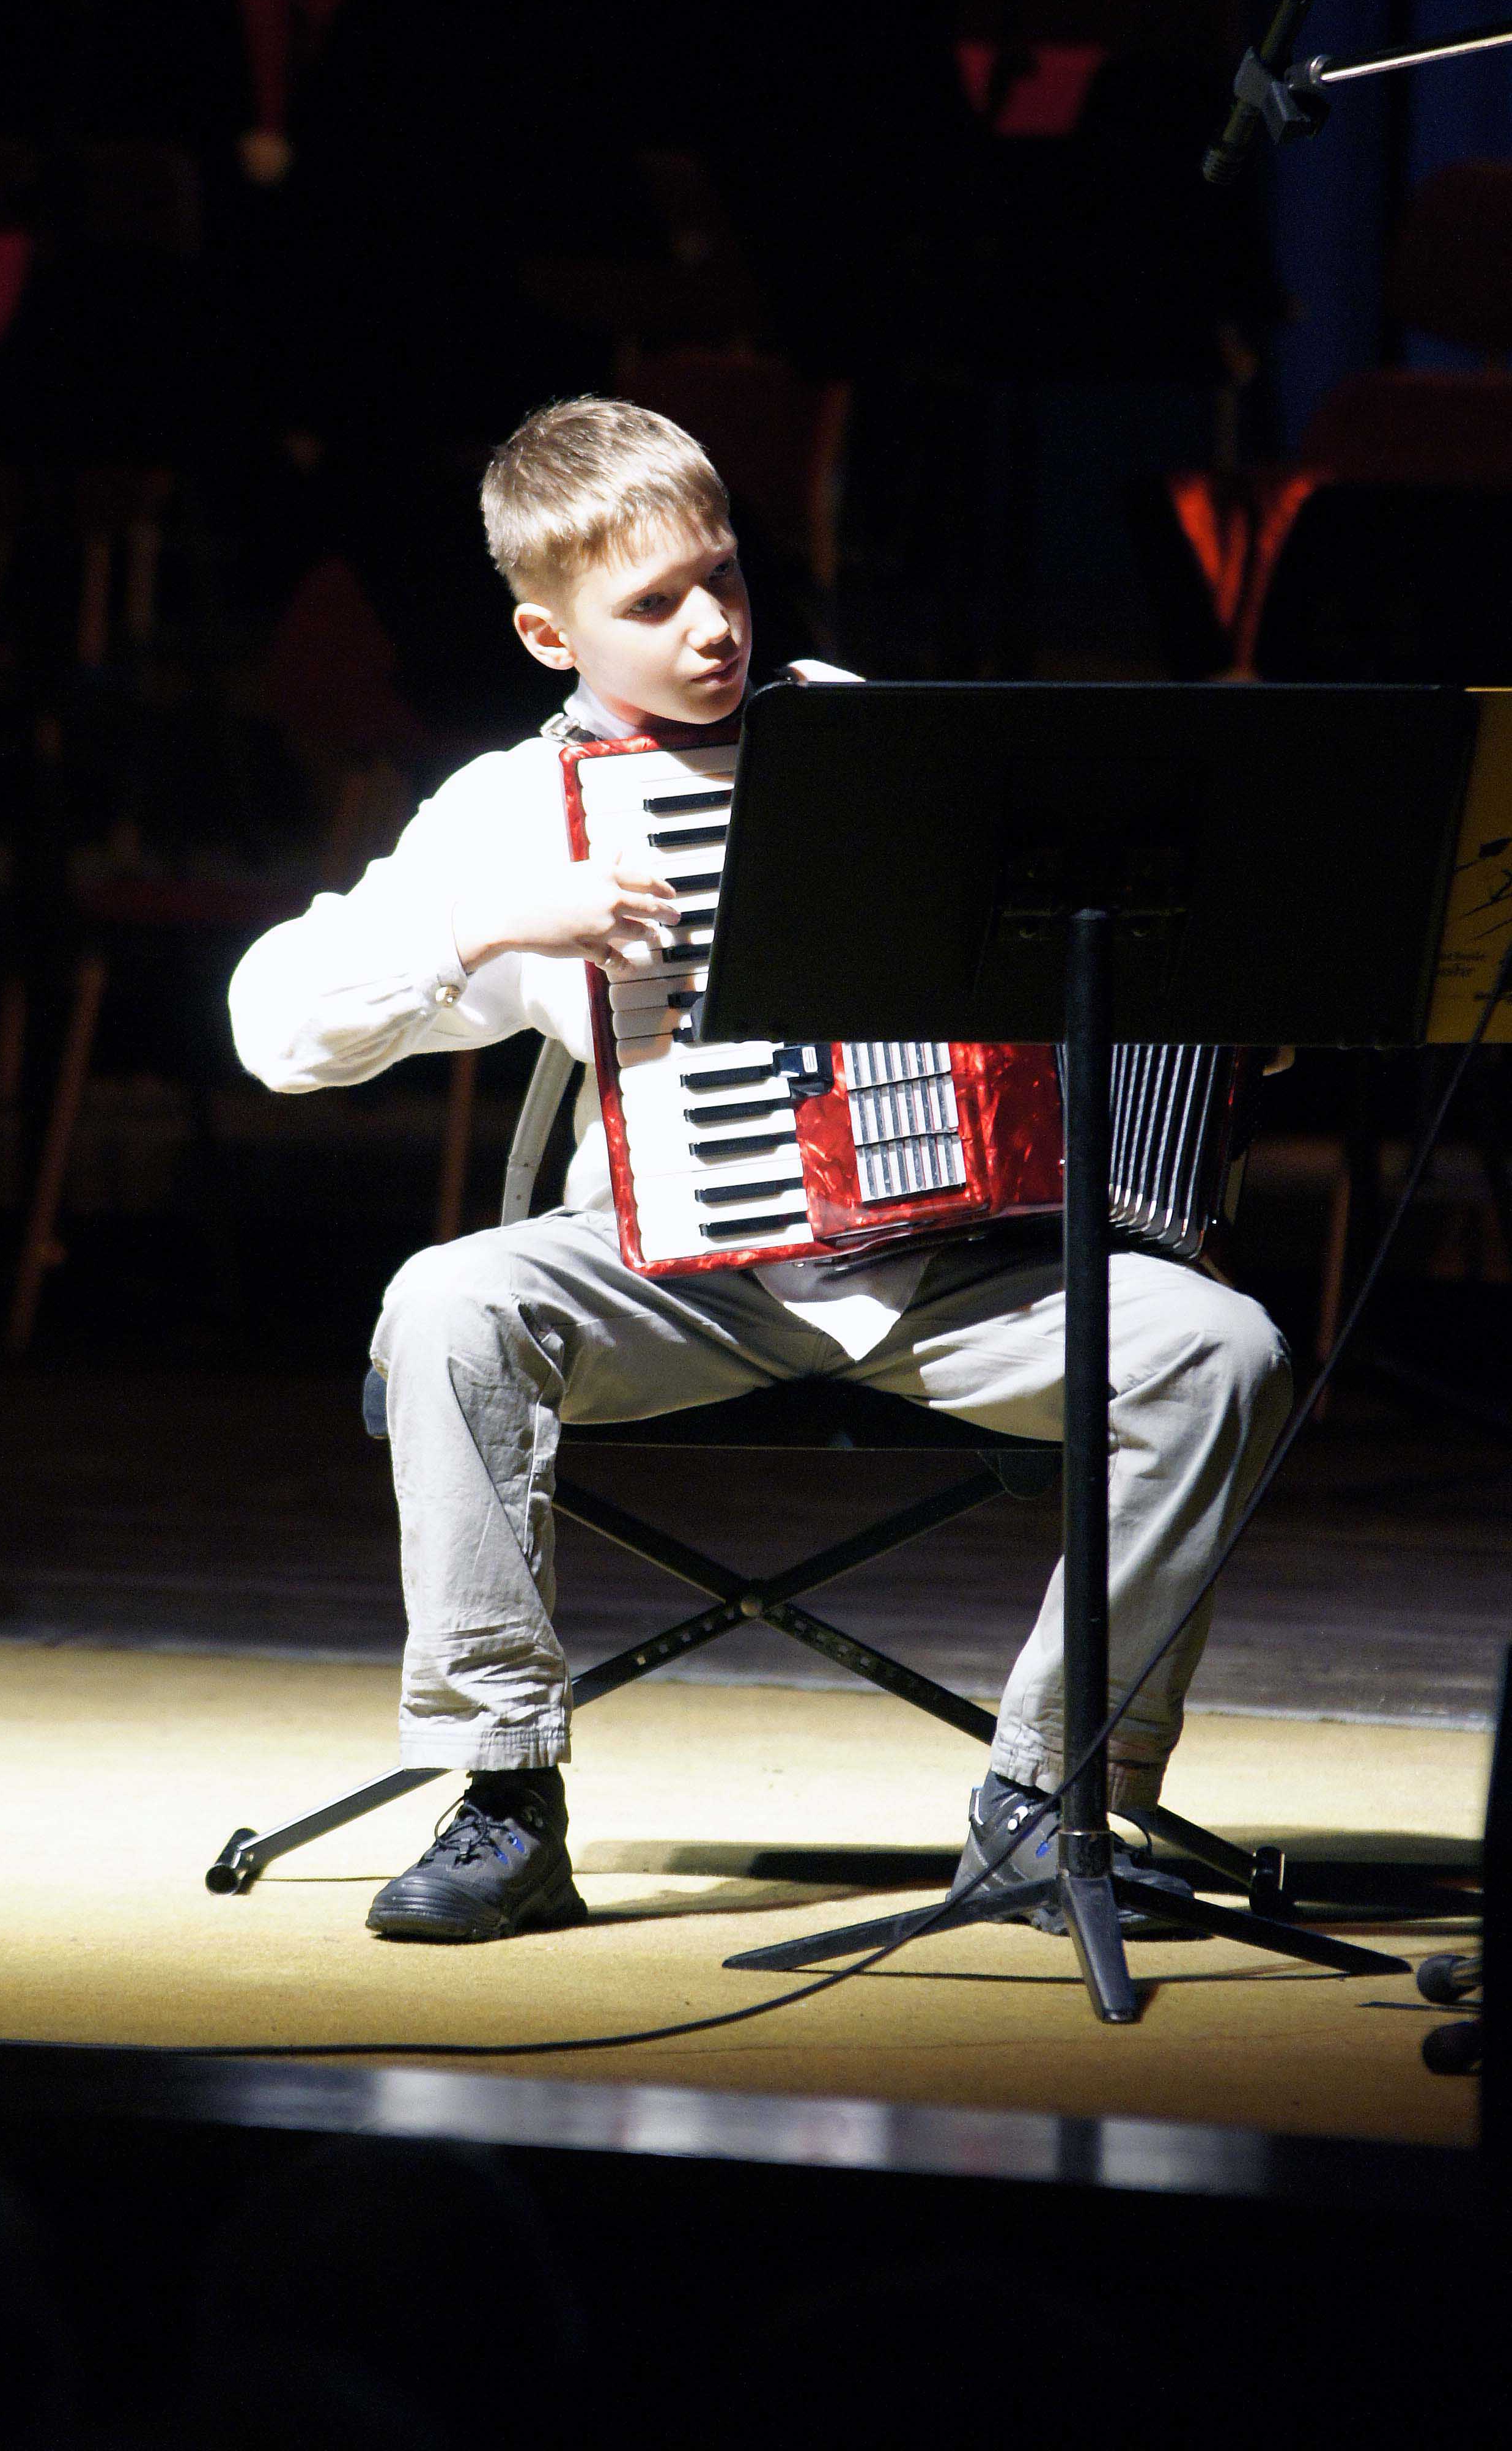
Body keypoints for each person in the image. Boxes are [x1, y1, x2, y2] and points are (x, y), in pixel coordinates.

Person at [229, 396, 1291, 1942]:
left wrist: (1200, 1007)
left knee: (1221, 1353)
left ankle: (1045, 1801)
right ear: (548, 636)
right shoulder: (514, 811)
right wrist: (496, 925)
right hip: (670, 1277)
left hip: (946, 1267)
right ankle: (503, 1792)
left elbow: (1062, 943)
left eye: (721, 575)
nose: (712, 626)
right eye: (652, 604)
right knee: (448, 1302)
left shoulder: (865, 737)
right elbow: (273, 1025)